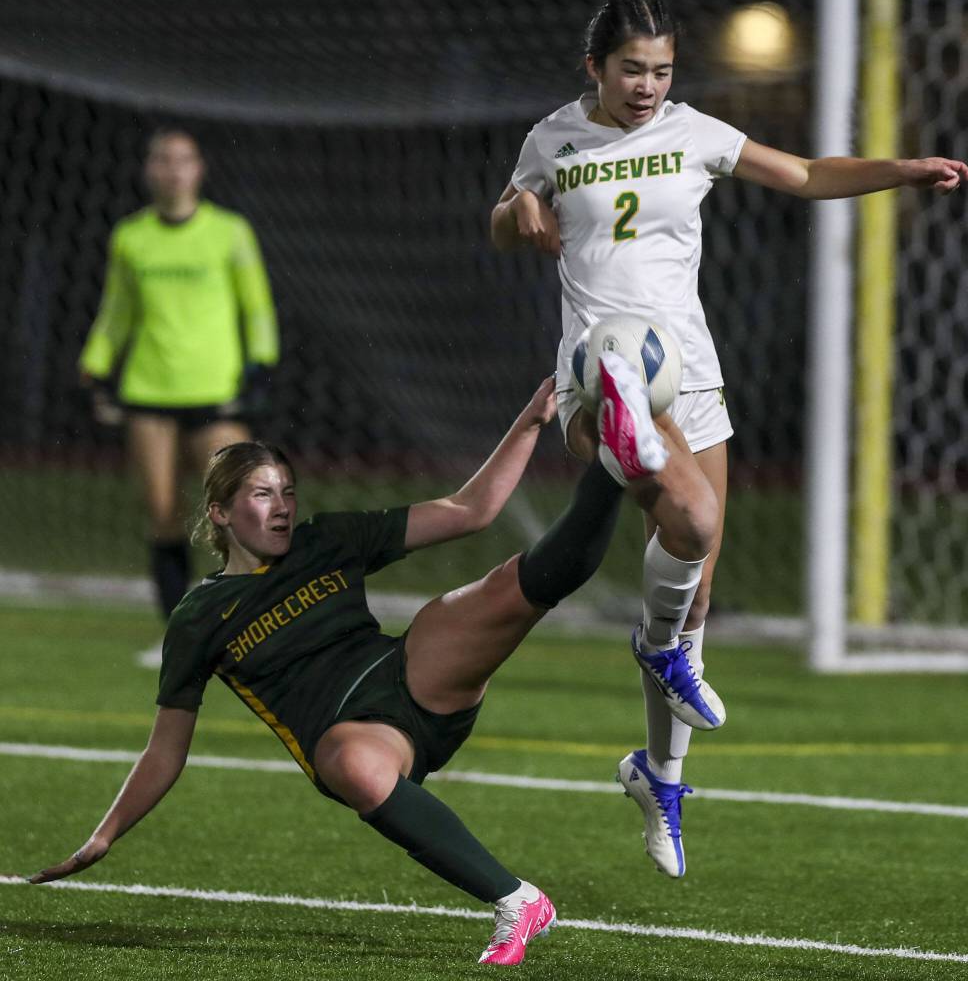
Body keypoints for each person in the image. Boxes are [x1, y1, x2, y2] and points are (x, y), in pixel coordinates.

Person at [490, 0, 968, 879]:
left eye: (661, 70)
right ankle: (631, 487)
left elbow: (802, 175)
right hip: (593, 371)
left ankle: (659, 775)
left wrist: (901, 169)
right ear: (592, 68)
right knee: (675, 495)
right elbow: (505, 213)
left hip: (691, 378)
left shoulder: (695, 131)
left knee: (694, 586)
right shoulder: (551, 139)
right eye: (631, 69)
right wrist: (517, 211)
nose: (646, 86)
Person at [31, 355, 676, 966]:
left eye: (286, 490)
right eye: (261, 495)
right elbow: (166, 749)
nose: (282, 505)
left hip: (415, 674)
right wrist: (107, 833)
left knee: (520, 584)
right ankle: (518, 902)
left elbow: (467, 510)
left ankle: (616, 458)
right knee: (349, 762)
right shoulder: (198, 618)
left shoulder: (327, 539)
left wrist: (530, 422)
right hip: (358, 737)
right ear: (220, 514)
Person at [79, 128, 279, 621]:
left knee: (244, 512)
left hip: (215, 391)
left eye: (182, 159)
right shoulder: (130, 236)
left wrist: (261, 365)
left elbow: (256, 307)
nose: (172, 168)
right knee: (164, 514)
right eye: (162, 159)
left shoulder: (229, 231)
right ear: (148, 170)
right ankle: (178, 634)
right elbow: (116, 312)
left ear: (199, 169)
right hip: (149, 392)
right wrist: (95, 366)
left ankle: (255, 624)